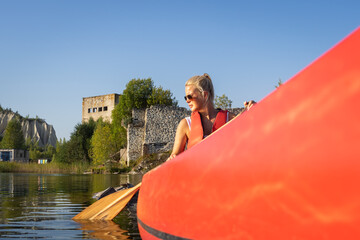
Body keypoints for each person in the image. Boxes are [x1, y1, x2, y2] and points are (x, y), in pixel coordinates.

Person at [167, 73, 255, 161]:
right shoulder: (185, 124)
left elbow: (250, 141)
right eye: (185, 97)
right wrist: (171, 158)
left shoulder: (230, 119)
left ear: (205, 95)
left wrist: (254, 113)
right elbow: (173, 159)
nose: (187, 101)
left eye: (189, 96)